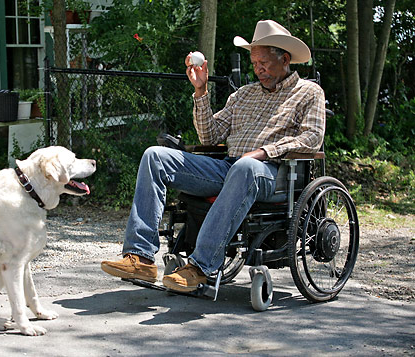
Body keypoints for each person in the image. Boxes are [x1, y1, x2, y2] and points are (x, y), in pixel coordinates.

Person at [101, 20, 326, 293]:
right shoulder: (244, 94)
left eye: (264, 62)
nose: (258, 69)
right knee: (155, 156)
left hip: (274, 175)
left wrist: (264, 152)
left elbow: (311, 137)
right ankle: (141, 257)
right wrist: (201, 91)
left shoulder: (309, 92)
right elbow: (209, 137)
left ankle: (200, 266)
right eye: (255, 63)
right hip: (230, 169)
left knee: (246, 166)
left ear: (285, 59)